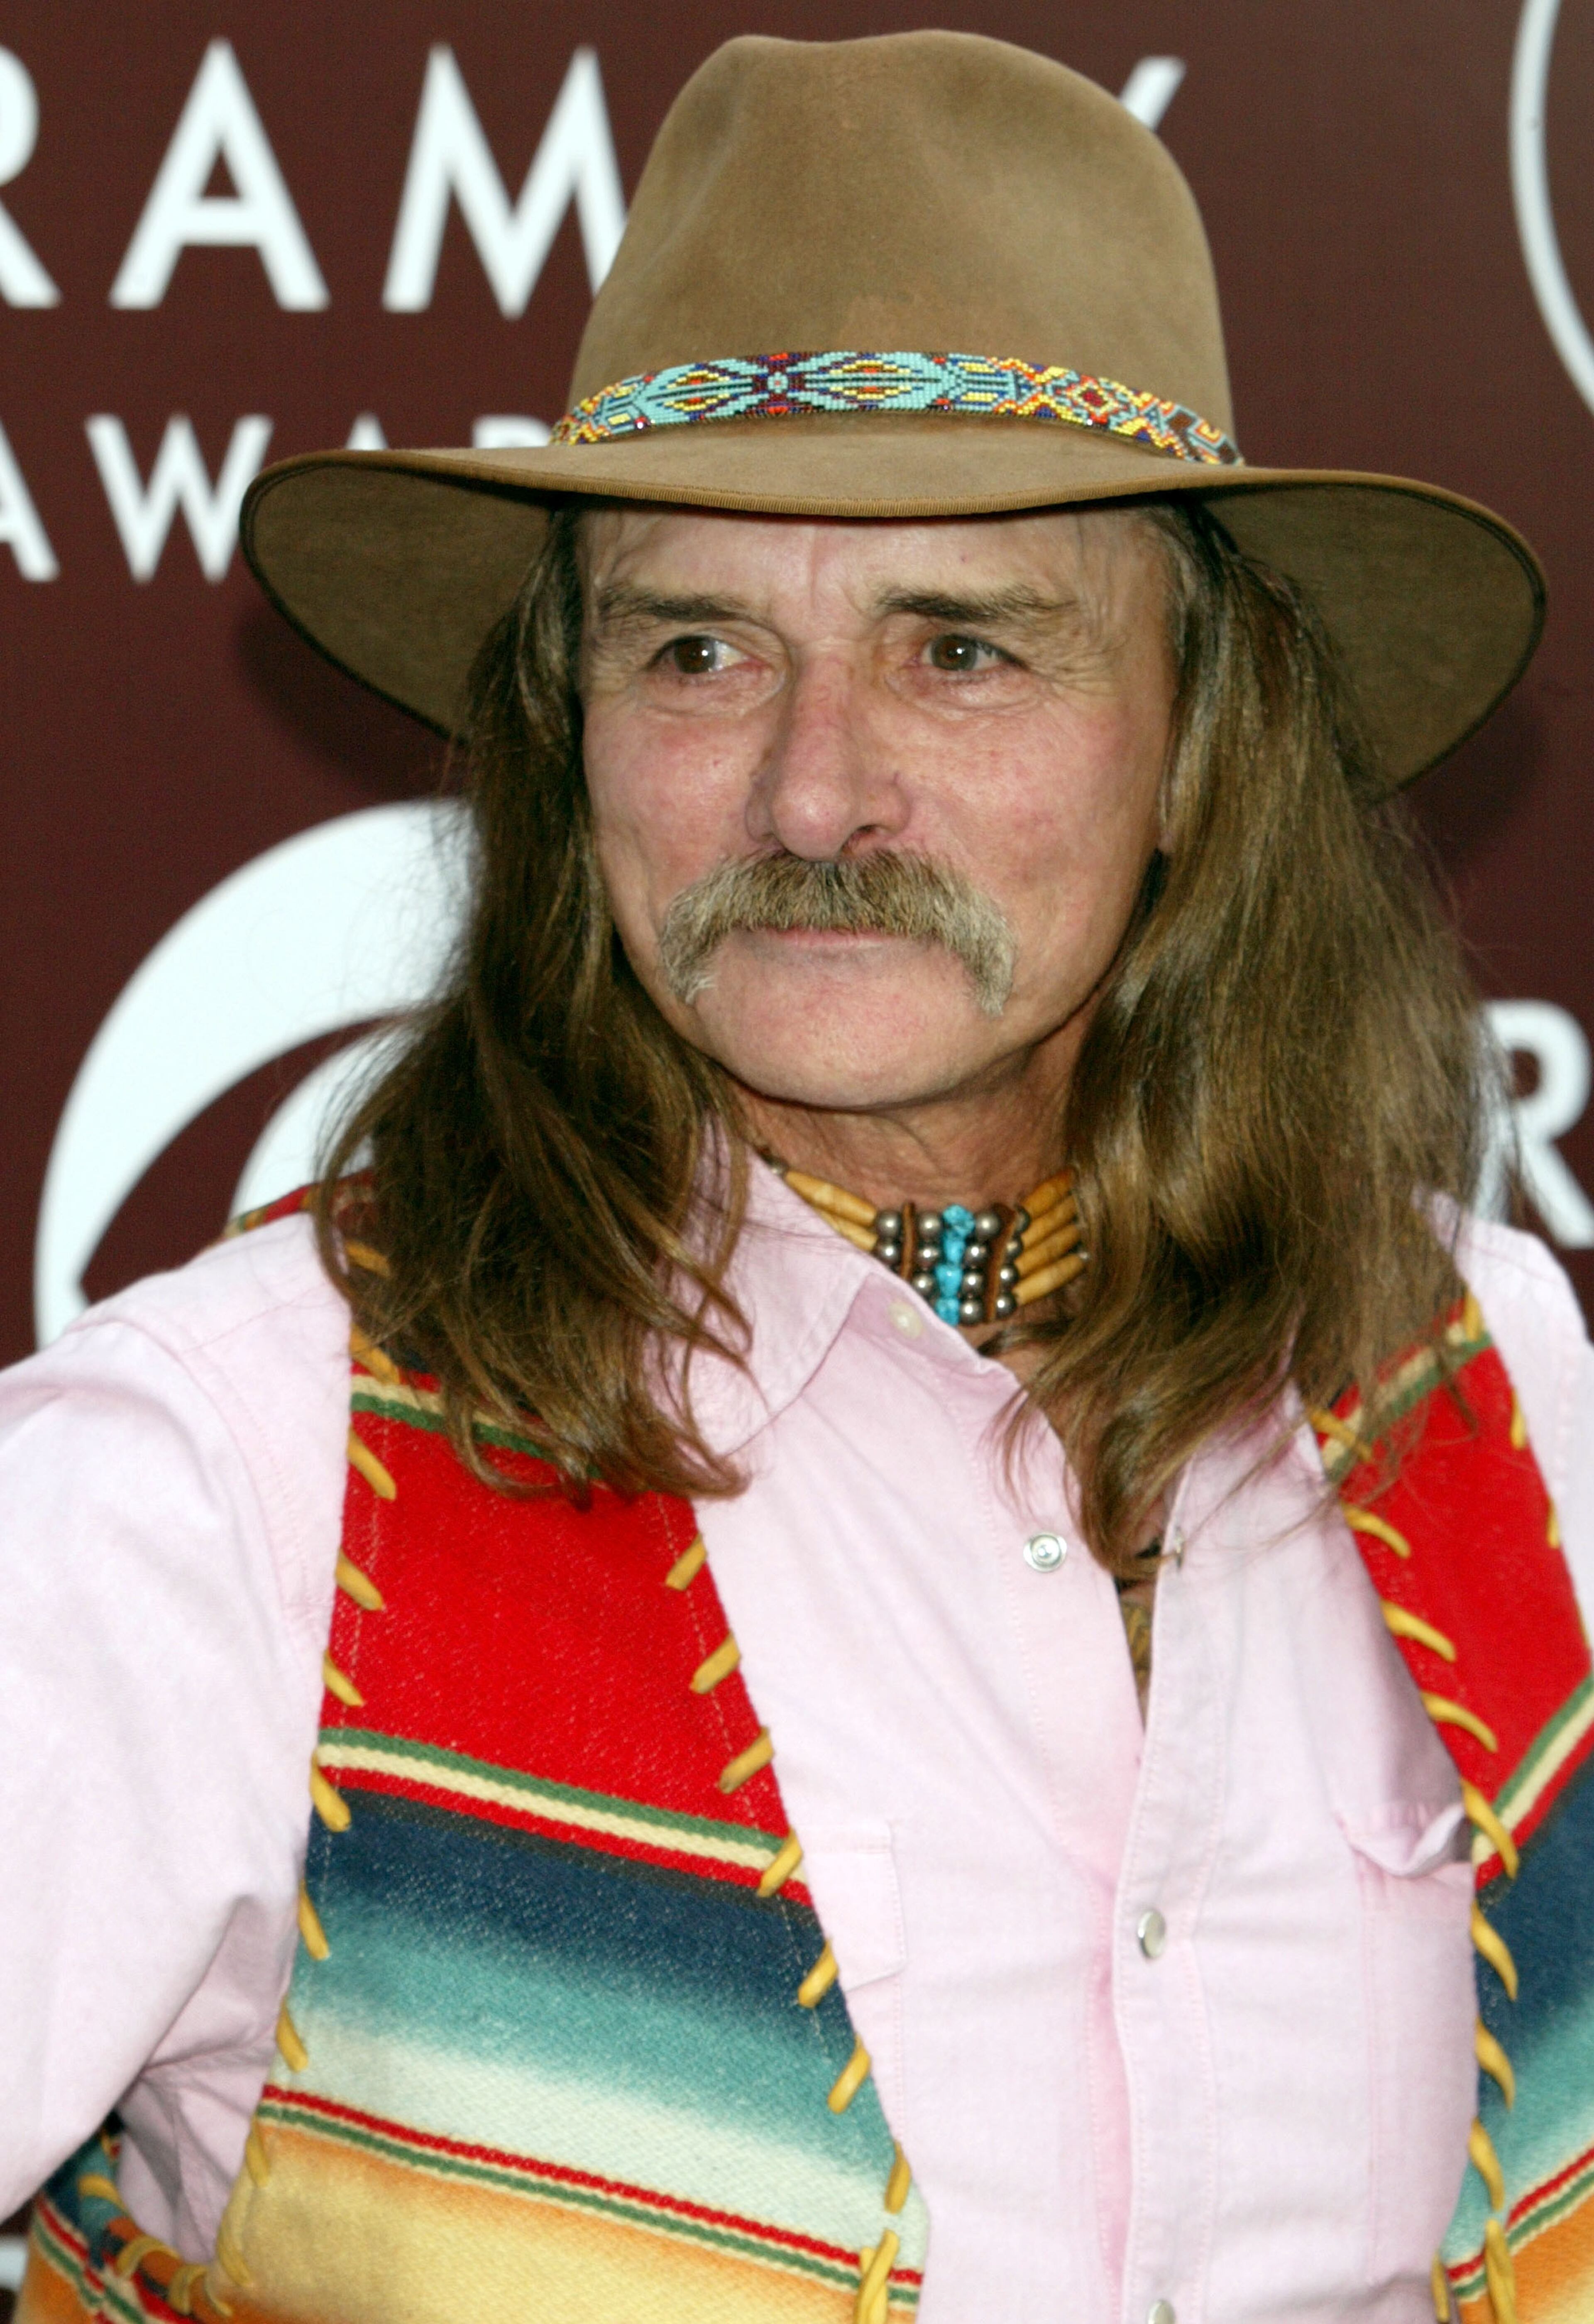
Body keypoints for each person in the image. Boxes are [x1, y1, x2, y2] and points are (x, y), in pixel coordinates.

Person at [3, 29, 1590, 2324]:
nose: (816, 792)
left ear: (1203, 747)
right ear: (568, 734)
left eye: (962, 650)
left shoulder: (1505, 1385)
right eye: (698, 646)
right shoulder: (211, 1486)